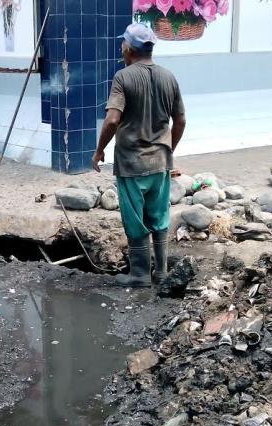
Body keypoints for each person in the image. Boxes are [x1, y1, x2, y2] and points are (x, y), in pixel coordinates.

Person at [91, 23, 186, 287]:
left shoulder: (123, 77)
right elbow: (180, 120)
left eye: (123, 43)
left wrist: (99, 151)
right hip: (160, 162)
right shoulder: (169, 77)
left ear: (128, 48)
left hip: (132, 163)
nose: (121, 47)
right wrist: (169, 148)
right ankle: (162, 273)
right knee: (159, 217)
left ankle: (140, 274)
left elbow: (112, 120)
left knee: (135, 221)